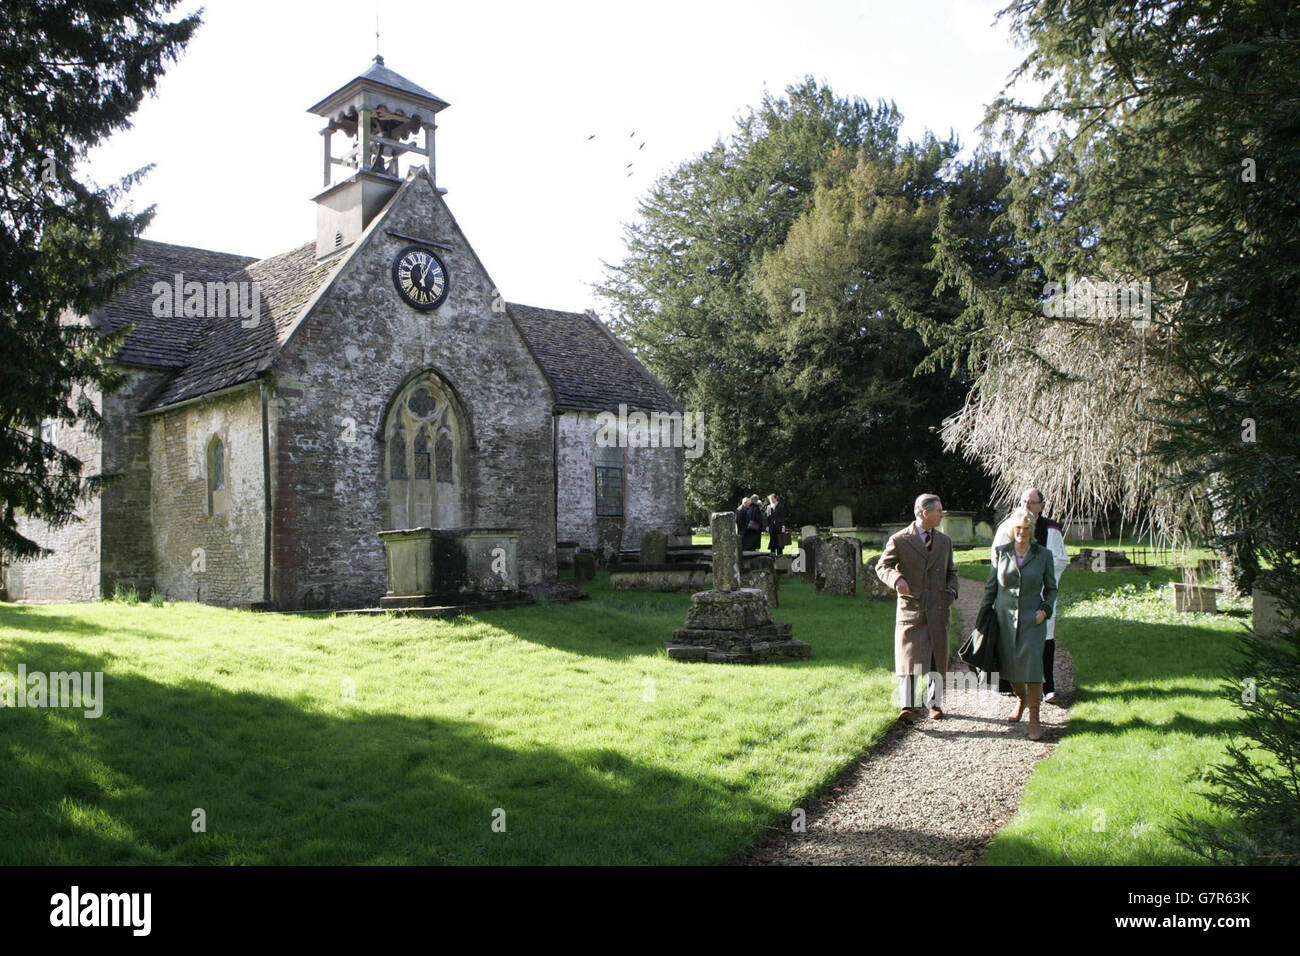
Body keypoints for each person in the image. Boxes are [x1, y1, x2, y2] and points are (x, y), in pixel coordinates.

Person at [876, 494, 959, 723]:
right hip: (912, 608)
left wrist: (952, 592)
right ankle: (908, 706)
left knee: (937, 658)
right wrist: (896, 579)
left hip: (939, 607)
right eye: (938, 511)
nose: (942, 514)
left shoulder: (944, 541)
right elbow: (883, 566)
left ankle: (935, 704)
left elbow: (952, 572)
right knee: (909, 659)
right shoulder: (900, 539)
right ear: (925, 512)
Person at [982, 506, 1058, 741]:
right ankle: (1021, 699)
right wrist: (984, 614)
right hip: (1005, 621)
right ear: (1012, 529)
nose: (1022, 533)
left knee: (1034, 669)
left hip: (1032, 621)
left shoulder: (1043, 555)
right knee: (1011, 669)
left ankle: (1034, 719)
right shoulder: (1002, 552)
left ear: (1032, 529)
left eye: (1026, 529)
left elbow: (1052, 589)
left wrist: (1044, 610)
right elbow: (991, 587)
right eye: (1018, 528)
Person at [992, 488, 1068, 701]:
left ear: (1041, 506)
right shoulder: (1006, 527)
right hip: (1012, 596)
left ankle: (1047, 686)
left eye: (1032, 502)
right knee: (1009, 638)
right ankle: (1010, 683)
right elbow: (995, 561)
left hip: (1039, 595)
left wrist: (1038, 579)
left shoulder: (1050, 529)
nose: (1027, 506)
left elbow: (1059, 561)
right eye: (1024, 501)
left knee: (1044, 637)